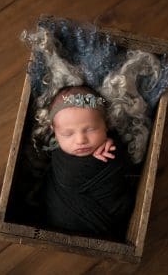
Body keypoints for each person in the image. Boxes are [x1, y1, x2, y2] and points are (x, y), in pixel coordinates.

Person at [43, 85, 136, 241]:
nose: (80, 140)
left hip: (111, 220)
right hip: (61, 224)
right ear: (55, 132)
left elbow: (128, 166)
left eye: (91, 129)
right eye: (67, 133)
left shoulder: (113, 147)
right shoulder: (58, 156)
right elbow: (66, 178)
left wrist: (115, 146)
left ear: (105, 125)